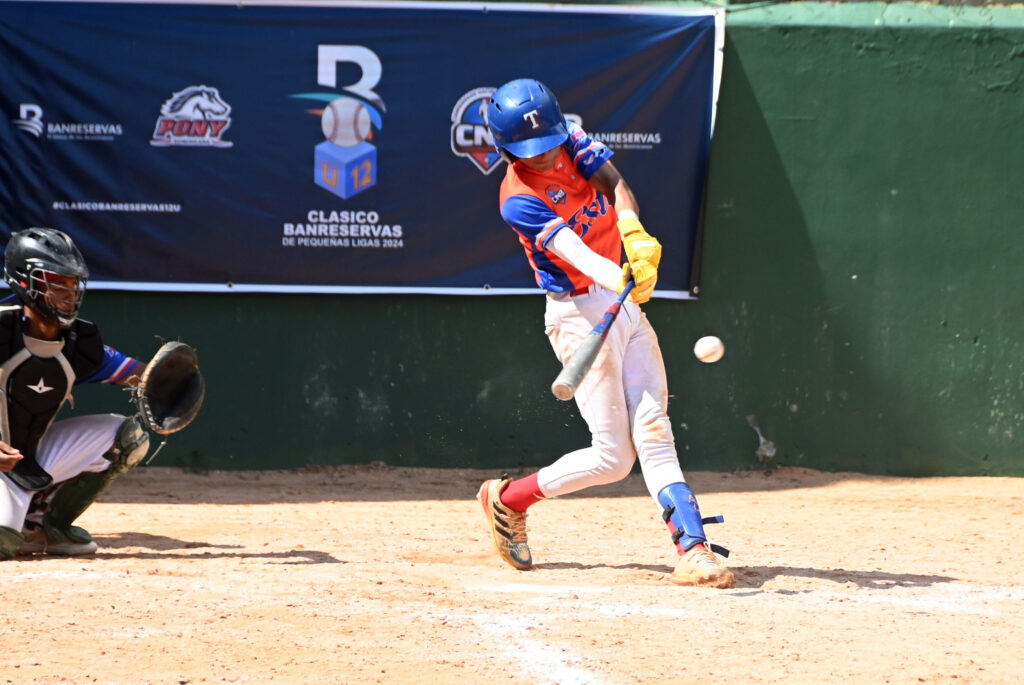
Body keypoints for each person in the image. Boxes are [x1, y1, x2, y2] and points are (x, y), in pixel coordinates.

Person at [476, 78, 734, 588]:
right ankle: (507, 499)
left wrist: (633, 232)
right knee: (614, 459)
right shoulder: (516, 200)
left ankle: (693, 547)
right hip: (578, 314)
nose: (547, 157)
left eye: (550, 143)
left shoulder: (570, 138)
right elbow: (574, 252)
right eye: (532, 152)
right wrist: (622, 275)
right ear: (505, 148)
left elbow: (615, 184)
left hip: (622, 304)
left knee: (654, 425)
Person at [0, 227, 153, 559]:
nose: (68, 294)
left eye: (72, 285)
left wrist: (170, 378)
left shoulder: (77, 344)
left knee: (128, 437)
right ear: (24, 282)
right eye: (56, 283)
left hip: (26, 458)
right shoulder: (1, 330)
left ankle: (42, 526)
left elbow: (140, 374)